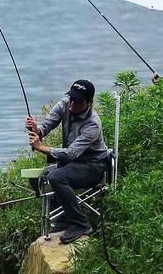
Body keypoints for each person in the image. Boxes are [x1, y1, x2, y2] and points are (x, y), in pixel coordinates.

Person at [25, 79, 108, 244]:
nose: (72, 103)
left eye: (77, 101)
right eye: (71, 98)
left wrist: (41, 147)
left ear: (88, 103)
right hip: (72, 164)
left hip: (93, 166)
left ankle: (81, 224)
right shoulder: (64, 105)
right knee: (40, 177)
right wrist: (37, 129)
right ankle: (63, 219)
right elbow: (47, 125)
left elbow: (71, 153)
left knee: (57, 177)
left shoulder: (92, 124)